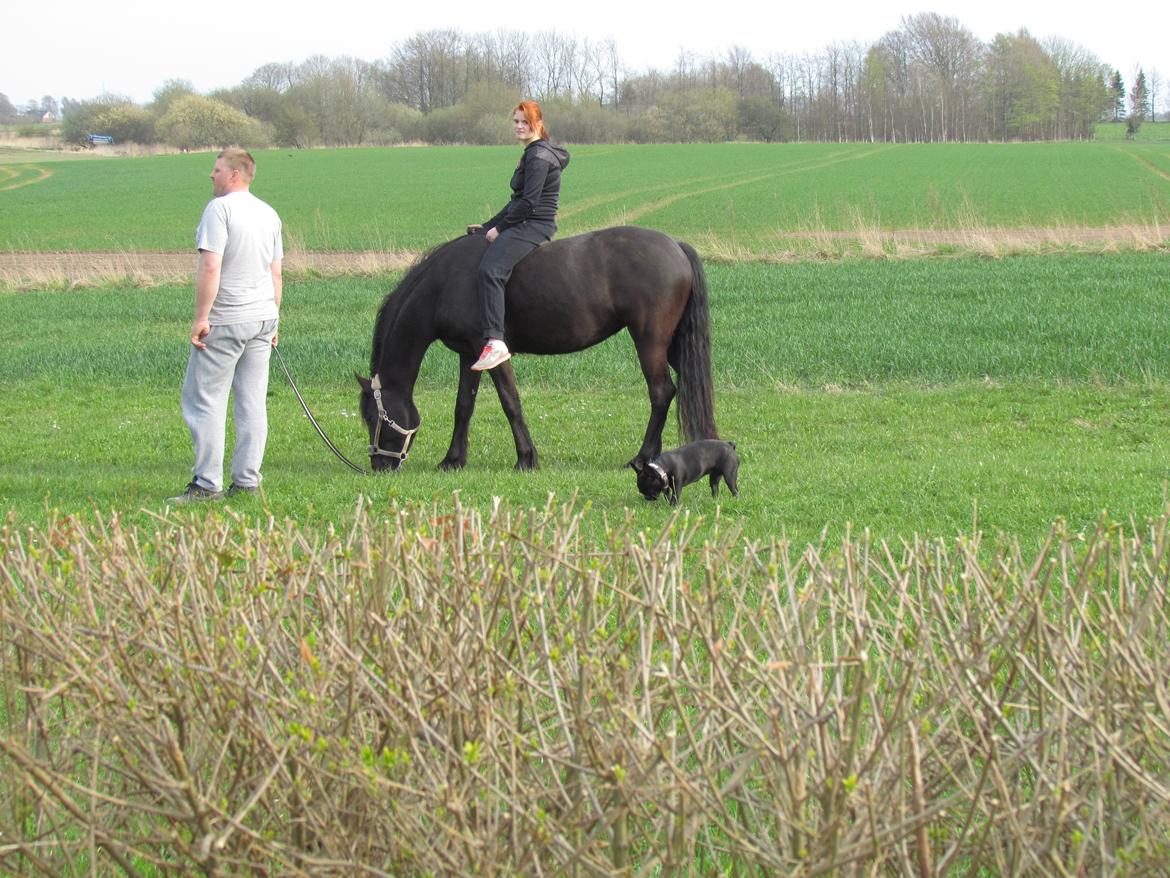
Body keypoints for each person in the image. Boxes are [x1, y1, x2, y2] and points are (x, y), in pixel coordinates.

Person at [167, 148, 283, 503]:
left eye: (216, 170)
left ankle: (206, 484)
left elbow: (210, 267)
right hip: (263, 319)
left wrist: (202, 318)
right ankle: (247, 479)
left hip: (227, 318)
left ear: (234, 174)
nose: (211, 175)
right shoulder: (269, 213)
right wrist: (274, 319)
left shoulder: (219, 210)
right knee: (252, 401)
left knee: (205, 401)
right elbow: (275, 272)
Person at [468, 100, 570, 371]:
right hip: (526, 219)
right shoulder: (535, 152)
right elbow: (516, 201)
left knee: (490, 270)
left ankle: (496, 342)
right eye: (516, 121)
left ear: (538, 124)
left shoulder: (537, 156)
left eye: (525, 122)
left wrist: (499, 230)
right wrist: (487, 225)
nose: (519, 126)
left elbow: (528, 204)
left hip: (534, 224)